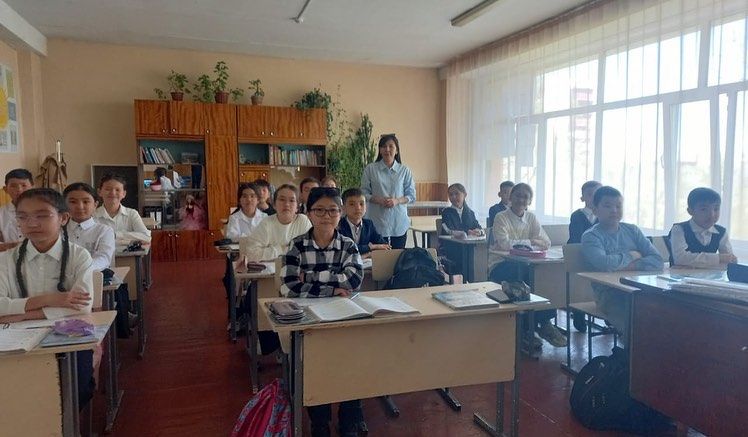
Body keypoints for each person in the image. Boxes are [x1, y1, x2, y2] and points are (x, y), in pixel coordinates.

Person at [0, 188, 96, 409]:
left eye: (42, 215)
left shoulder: (78, 256)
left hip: (67, 336)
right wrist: (51, 299)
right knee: (14, 393)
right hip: (13, 340)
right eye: (23, 217)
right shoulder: (5, 260)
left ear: (63, 218)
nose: (32, 223)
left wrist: (21, 315)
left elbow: (82, 307)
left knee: (77, 391)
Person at [281, 186, 364, 437]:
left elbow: (354, 280)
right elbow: (289, 286)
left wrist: (311, 278)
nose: (326, 216)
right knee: (314, 366)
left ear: (340, 213)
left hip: (344, 314)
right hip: (310, 319)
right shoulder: (297, 245)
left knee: (353, 362)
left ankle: (349, 418)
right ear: (309, 213)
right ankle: (319, 421)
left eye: (332, 210)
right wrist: (333, 288)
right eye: (319, 210)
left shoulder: (348, 245)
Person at [581, 186, 664, 345]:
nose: (614, 210)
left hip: (640, 289)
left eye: (618, 206)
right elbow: (604, 264)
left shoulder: (632, 230)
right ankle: (630, 356)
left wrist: (622, 265)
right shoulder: (591, 236)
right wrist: (632, 255)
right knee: (633, 324)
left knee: (664, 315)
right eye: (607, 206)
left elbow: (657, 261)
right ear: (595, 210)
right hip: (610, 294)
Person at [488, 183, 566, 349]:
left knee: (542, 276)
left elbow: (546, 242)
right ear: (511, 197)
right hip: (501, 264)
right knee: (526, 278)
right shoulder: (501, 217)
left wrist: (521, 244)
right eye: (518, 195)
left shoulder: (531, 218)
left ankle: (542, 324)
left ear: (530, 201)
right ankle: (527, 329)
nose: (521, 199)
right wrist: (531, 242)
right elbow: (504, 244)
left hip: (527, 264)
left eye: (525, 197)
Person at [360, 134, 416, 249]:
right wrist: (377, 199)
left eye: (391, 146)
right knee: (378, 257)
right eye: (384, 146)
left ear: (397, 150)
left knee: (398, 256)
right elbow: (363, 193)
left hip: (398, 222)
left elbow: (411, 195)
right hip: (376, 221)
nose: (387, 149)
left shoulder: (404, 170)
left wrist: (397, 201)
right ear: (380, 150)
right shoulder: (370, 169)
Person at [668, 187, 737, 268]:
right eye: (704, 209)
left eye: (716, 209)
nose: (712, 215)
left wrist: (724, 259)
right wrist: (719, 258)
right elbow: (680, 258)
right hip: (678, 275)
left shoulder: (721, 232)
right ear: (690, 211)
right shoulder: (679, 229)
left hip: (709, 275)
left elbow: (730, 260)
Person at [243, 184, 312, 262]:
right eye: (282, 199)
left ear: (297, 207)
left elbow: (310, 251)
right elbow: (251, 253)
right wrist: (281, 249)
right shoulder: (267, 223)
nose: (286, 204)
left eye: (292, 200)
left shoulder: (303, 221)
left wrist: (273, 251)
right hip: (270, 269)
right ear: (274, 205)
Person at [567, 180, 602, 332]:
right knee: (579, 285)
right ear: (583, 198)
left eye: (598, 194)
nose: (594, 198)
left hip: (599, 259)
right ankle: (578, 313)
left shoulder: (604, 216)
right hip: (579, 257)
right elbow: (577, 239)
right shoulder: (577, 215)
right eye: (590, 194)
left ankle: (608, 314)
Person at [63, 182, 116, 271]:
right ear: (64, 205)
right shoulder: (58, 231)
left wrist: (80, 270)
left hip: (95, 277)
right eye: (73, 202)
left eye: (86, 202)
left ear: (95, 205)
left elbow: (103, 259)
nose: (80, 207)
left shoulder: (104, 231)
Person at [94, 174, 151, 243]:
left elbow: (146, 236)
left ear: (124, 194)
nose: (113, 193)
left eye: (117, 190)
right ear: (99, 192)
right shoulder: (93, 215)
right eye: (108, 189)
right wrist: (129, 237)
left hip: (129, 250)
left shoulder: (132, 214)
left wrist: (115, 235)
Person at [338, 188, 390, 258]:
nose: (358, 208)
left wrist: (380, 247)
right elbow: (346, 249)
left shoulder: (368, 224)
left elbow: (383, 245)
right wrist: (370, 248)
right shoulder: (339, 225)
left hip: (365, 262)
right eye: (352, 204)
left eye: (361, 204)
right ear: (343, 208)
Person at [0, 168, 34, 251]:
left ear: (32, 187)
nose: (19, 190)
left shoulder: (43, 211)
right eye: (13, 186)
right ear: (5, 189)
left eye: (24, 185)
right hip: (8, 256)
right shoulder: (1, 213)